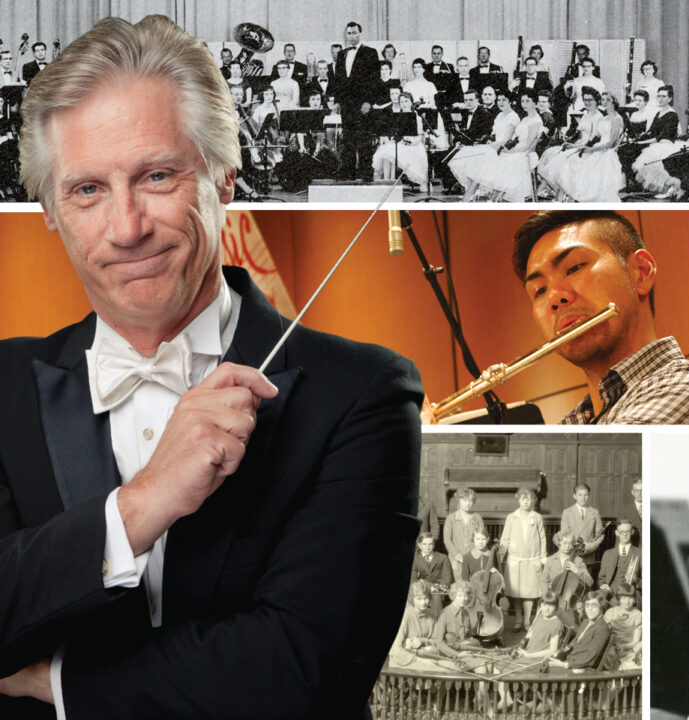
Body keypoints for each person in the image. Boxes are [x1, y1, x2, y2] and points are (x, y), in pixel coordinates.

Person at [0, 15, 422, 718]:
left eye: (157, 175)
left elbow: (303, 670)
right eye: (87, 191)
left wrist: (61, 683)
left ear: (223, 179)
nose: (127, 226)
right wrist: (138, 508)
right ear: (48, 209)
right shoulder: (1, 387)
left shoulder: (364, 391)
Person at [512, 210, 689, 424]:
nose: (554, 298)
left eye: (574, 268)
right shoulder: (575, 422)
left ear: (641, 271)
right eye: (539, 290)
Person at [448, 89, 525, 200]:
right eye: (498, 100)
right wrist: (488, 140)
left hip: (503, 149)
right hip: (494, 146)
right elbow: (494, 134)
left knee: (479, 167)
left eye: (504, 100)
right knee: (468, 156)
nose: (501, 102)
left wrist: (491, 145)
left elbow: (506, 139)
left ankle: (468, 197)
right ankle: (470, 193)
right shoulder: (499, 115)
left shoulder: (513, 116)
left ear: (511, 102)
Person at [556, 90, 626, 202]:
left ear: (614, 101)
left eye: (608, 99)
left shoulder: (617, 119)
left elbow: (611, 143)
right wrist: (580, 146)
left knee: (585, 167)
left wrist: (592, 149)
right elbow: (595, 137)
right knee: (574, 161)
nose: (605, 102)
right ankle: (568, 195)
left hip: (607, 152)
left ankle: (578, 197)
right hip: (598, 147)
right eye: (603, 100)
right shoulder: (604, 118)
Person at [334, 21, 381, 180]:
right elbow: (338, 80)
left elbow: (375, 79)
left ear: (360, 34)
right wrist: (338, 101)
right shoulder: (342, 54)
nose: (351, 36)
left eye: (354, 32)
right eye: (349, 33)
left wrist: (368, 101)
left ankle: (366, 171)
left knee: (364, 137)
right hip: (346, 104)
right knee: (348, 137)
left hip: (363, 103)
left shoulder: (370, 52)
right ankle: (348, 170)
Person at [500, 487, 546, 631]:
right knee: (517, 592)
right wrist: (500, 557)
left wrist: (543, 556)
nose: (526, 502)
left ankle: (527, 621)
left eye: (529, 499)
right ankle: (518, 619)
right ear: (518, 500)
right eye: (523, 499)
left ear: (533, 500)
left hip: (533, 560)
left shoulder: (537, 517)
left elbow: (542, 538)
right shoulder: (511, 517)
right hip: (515, 561)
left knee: (530, 592)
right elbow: (505, 539)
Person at [548, 591, 611, 671]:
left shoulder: (602, 628)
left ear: (601, 607)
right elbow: (575, 641)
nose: (590, 609)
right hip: (571, 661)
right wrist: (560, 652)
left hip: (583, 668)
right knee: (543, 667)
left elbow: (591, 656)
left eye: (594, 606)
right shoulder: (585, 622)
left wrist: (565, 665)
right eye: (587, 605)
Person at [389, 580, 437, 664]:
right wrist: (420, 660)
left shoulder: (432, 614)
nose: (423, 602)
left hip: (427, 655)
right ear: (412, 599)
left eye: (426, 598)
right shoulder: (405, 615)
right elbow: (395, 648)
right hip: (405, 658)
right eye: (419, 599)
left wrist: (422, 641)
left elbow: (437, 641)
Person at [432, 581, 481, 659]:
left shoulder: (466, 614)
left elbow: (466, 638)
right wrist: (457, 655)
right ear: (453, 596)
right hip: (450, 655)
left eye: (465, 595)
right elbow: (439, 643)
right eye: (459, 595)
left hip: (464, 652)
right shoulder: (444, 614)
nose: (463, 599)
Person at [444, 488, 485, 579]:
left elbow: (483, 538)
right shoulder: (451, 518)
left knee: (474, 587)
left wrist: (476, 555)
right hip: (456, 560)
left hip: (474, 559)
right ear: (459, 501)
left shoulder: (477, 517)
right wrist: (456, 555)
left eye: (470, 500)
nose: (468, 503)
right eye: (465, 500)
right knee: (460, 589)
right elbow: (447, 539)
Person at [411, 529, 453, 614]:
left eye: (430, 544)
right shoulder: (415, 560)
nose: (427, 547)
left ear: (434, 544)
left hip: (439, 589)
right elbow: (413, 581)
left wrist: (436, 588)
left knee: (436, 597)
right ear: (419, 545)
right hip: (422, 590)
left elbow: (447, 579)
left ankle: (437, 623)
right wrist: (424, 589)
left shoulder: (442, 558)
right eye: (424, 544)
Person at [514, 592, 565, 660]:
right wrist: (522, 648)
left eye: (551, 605)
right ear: (540, 606)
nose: (547, 609)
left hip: (537, 658)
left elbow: (553, 650)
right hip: (527, 652)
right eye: (544, 605)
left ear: (556, 607)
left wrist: (529, 655)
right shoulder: (540, 617)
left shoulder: (556, 623)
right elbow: (531, 636)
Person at [603, 582, 642, 669]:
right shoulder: (611, 612)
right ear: (619, 599)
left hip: (629, 649)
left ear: (634, 599)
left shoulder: (638, 615)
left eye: (630, 598)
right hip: (612, 648)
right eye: (623, 598)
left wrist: (623, 646)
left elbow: (635, 641)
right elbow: (604, 632)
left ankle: (623, 666)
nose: (627, 601)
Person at [561, 483, 605, 558]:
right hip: (572, 555)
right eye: (580, 495)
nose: (583, 498)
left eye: (586, 495)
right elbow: (565, 533)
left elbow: (600, 535)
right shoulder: (567, 512)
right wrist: (579, 546)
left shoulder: (594, 512)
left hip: (589, 556)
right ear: (574, 496)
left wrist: (590, 547)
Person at [598, 520, 640, 592]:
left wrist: (636, 581)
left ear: (632, 532)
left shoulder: (640, 553)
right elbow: (601, 578)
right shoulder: (607, 554)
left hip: (631, 594)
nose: (625, 534)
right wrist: (603, 584)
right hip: (611, 593)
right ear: (617, 533)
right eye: (622, 532)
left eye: (628, 531)